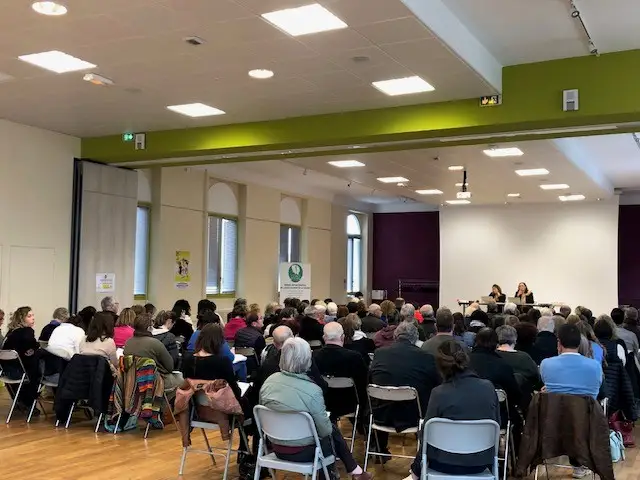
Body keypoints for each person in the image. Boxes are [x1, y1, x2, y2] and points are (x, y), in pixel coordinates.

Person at [259, 338, 373, 480]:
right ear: (308, 360)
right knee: (328, 434)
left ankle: (353, 470)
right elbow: (325, 431)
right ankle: (347, 471)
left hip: (275, 446)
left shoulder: (269, 382)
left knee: (327, 429)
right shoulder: (312, 390)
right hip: (304, 451)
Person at [405, 339, 500, 479]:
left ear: (439, 366)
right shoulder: (488, 388)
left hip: (443, 463)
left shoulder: (439, 393)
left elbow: (427, 436)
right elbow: (497, 425)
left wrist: (416, 469)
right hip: (479, 463)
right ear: (467, 359)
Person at [540, 323, 603, 479]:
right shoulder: (595, 366)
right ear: (580, 343)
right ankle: (580, 465)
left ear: (559, 343)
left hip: (553, 422)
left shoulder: (546, 364)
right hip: (585, 424)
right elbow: (597, 390)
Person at [370, 322, 440, 458]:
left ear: (395, 336)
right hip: (414, 416)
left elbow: (371, 379)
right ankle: (426, 454)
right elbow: (436, 384)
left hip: (382, 414)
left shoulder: (380, 353)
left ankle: (378, 449)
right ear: (415, 338)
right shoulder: (426, 357)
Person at [249, 326, 327, 408]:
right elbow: (322, 387)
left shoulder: (267, 365)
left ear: (274, 343)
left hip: (272, 410)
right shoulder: (307, 362)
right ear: (293, 338)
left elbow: (258, 392)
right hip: (304, 408)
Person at [181, 323, 245, 407]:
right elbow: (234, 389)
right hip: (219, 404)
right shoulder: (223, 361)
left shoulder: (188, 360)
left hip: (196, 404)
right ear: (220, 342)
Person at [313, 322, 368, 421]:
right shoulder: (354, 357)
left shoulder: (314, 356)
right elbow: (364, 383)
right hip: (349, 404)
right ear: (342, 337)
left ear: (324, 338)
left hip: (322, 402)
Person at [469, 328, 523, 419]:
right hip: (495, 417)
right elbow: (515, 395)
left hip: (464, 413)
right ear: (496, 345)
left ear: (475, 342)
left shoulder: (464, 362)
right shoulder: (503, 365)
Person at [123, 313, 184, 394]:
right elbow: (170, 367)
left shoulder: (128, 343)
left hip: (132, 381)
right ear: (149, 328)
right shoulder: (155, 343)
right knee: (182, 381)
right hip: (155, 381)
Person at [2, 307, 40, 408]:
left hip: (7, 372)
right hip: (20, 373)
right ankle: (30, 401)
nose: (33, 318)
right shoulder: (27, 331)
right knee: (40, 368)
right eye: (29, 316)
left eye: (33, 315)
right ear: (21, 319)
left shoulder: (11, 332)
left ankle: (20, 400)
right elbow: (34, 345)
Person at [495, 325, 541, 394]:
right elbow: (536, 377)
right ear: (515, 339)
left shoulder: (491, 355)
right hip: (523, 396)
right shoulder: (524, 357)